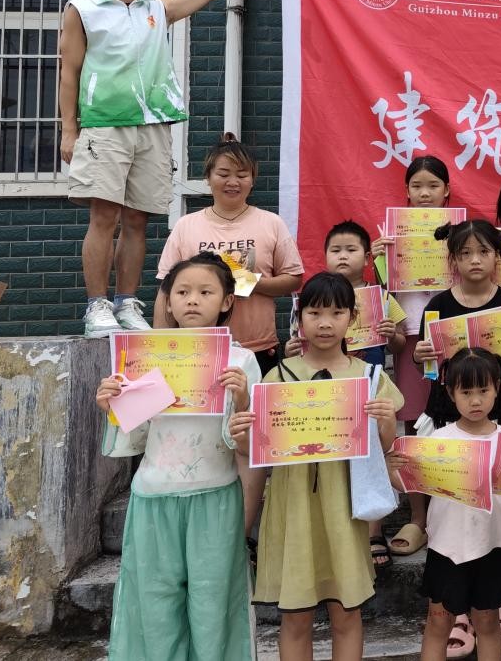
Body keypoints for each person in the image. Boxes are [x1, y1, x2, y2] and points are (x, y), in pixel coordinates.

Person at [60, 0, 280, 337]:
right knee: (104, 216)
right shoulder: (83, 9)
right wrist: (69, 130)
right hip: (104, 125)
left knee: (138, 219)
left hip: (154, 125)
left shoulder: (157, 8)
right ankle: (96, 306)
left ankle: (126, 303)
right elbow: (69, 71)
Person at [229, 272, 403, 661]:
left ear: (352, 318)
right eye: (315, 313)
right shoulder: (278, 375)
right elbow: (257, 451)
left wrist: (387, 422)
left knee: (347, 613)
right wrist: (242, 433)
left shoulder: (368, 376)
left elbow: (384, 447)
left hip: (344, 509)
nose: (325, 323)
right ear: (299, 318)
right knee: (295, 619)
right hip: (293, 508)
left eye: (337, 313)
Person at [94, 251, 258, 660]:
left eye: (205, 292)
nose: (192, 300)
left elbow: (248, 445)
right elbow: (136, 437)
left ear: (227, 300)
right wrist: (114, 406)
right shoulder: (144, 357)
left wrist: (241, 399)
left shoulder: (241, 361)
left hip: (215, 496)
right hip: (153, 495)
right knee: (154, 600)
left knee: (213, 601)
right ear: (167, 302)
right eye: (182, 292)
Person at [286, 219, 408, 569]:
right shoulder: (309, 296)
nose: (343, 256)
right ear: (324, 256)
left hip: (366, 388)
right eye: (335, 250)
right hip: (321, 392)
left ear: (367, 257)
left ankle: (373, 530)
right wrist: (290, 347)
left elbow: (400, 343)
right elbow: (294, 340)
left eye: (351, 250)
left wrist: (392, 334)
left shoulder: (380, 296)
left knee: (370, 457)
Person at [156, 135, 304, 376]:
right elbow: (166, 290)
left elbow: (294, 279)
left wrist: (250, 283)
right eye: (223, 174)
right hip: (195, 350)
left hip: (258, 348)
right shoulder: (186, 225)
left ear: (252, 180)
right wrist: (161, 345)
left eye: (242, 175)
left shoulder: (271, 222)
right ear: (208, 177)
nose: (233, 182)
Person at [411, 348, 501, 661]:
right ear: (451, 393)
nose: (476, 401)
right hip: (447, 546)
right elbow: (408, 483)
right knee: (438, 623)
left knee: (487, 622)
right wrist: (394, 465)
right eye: (466, 392)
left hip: (494, 544)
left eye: (483, 391)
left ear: (497, 388)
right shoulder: (438, 441)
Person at [368, 154, 453, 558]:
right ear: (406, 191)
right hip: (411, 333)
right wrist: (378, 258)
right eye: (417, 186)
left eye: (433, 186)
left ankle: (450, 511)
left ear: (447, 191)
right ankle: (419, 518)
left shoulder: (459, 231)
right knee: (415, 425)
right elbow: (382, 291)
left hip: (451, 331)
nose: (425, 193)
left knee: (453, 420)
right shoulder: (392, 233)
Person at [413, 220, 501, 431]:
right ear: (453, 259)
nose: (475, 260)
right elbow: (428, 368)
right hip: (447, 416)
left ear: (496, 255)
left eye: (484, 251)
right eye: (465, 253)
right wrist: (419, 357)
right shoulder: (437, 306)